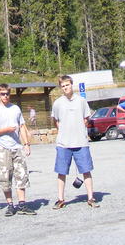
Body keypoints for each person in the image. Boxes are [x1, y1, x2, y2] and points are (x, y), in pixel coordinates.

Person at [0, 84, 36, 216]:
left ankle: (22, 204)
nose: (5, 96)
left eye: (7, 93)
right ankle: (10, 204)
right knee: (5, 177)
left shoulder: (15, 109)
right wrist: (6, 130)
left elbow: (22, 126)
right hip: (4, 148)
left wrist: (26, 144)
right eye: (2, 94)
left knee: (21, 175)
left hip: (17, 147)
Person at [51, 74, 98, 209]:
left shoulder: (81, 101)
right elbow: (55, 120)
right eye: (63, 86)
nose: (66, 88)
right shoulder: (58, 103)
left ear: (72, 85)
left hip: (81, 142)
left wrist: (78, 128)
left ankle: (91, 197)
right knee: (61, 172)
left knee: (86, 170)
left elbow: (86, 118)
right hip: (63, 144)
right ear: (61, 88)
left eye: (68, 85)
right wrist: (64, 130)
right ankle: (60, 199)